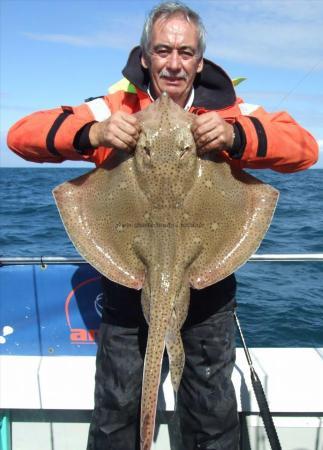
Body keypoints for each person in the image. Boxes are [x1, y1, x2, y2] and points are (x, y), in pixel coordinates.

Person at [7, 2, 318, 449]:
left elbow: (305, 149)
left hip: (208, 286)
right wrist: (92, 135)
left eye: (185, 52)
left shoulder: (233, 111)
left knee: (211, 406)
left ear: (200, 60)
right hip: (127, 281)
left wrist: (237, 136)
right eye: (163, 50)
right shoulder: (113, 109)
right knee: (117, 407)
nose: (174, 63)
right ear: (146, 56)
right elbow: (21, 134)